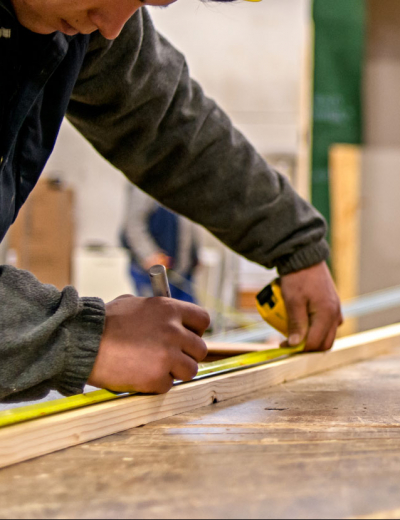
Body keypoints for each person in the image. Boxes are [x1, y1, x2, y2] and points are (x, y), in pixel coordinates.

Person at [0, 0, 343, 401]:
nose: (112, 28)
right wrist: (75, 338)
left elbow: (165, 122)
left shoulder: (85, 16)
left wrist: (294, 241)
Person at [121, 186, 199, 303]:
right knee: (156, 317)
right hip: (152, 275)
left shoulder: (184, 187)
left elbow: (188, 225)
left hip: (181, 275)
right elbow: (133, 226)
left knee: (189, 316)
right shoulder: (146, 187)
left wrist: (195, 254)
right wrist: (149, 255)